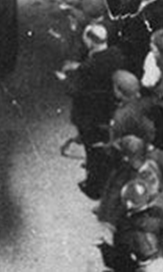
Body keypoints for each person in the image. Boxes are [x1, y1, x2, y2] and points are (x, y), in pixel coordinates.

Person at [58, 22, 125, 199]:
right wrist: (78, 67)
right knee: (103, 148)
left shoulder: (88, 68)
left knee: (92, 150)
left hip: (89, 115)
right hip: (108, 110)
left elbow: (76, 91)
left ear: (91, 41)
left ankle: (93, 187)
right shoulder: (116, 55)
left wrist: (65, 79)